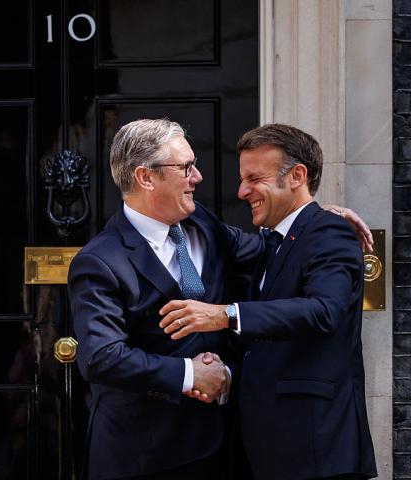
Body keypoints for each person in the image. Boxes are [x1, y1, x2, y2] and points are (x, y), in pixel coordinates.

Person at [159, 124, 378, 479]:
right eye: (242, 179)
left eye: (254, 178)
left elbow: (325, 311)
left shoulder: (328, 232)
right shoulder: (270, 242)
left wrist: (226, 315)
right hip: (265, 449)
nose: (242, 191)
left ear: (297, 176)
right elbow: (204, 221)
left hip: (314, 451)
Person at [67, 119, 262, 480]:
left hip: (222, 444)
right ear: (145, 177)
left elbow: (265, 251)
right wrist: (190, 374)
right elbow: (101, 357)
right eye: (185, 167)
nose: (197, 177)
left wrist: (314, 222)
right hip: (143, 455)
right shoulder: (100, 260)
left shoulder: (203, 223)